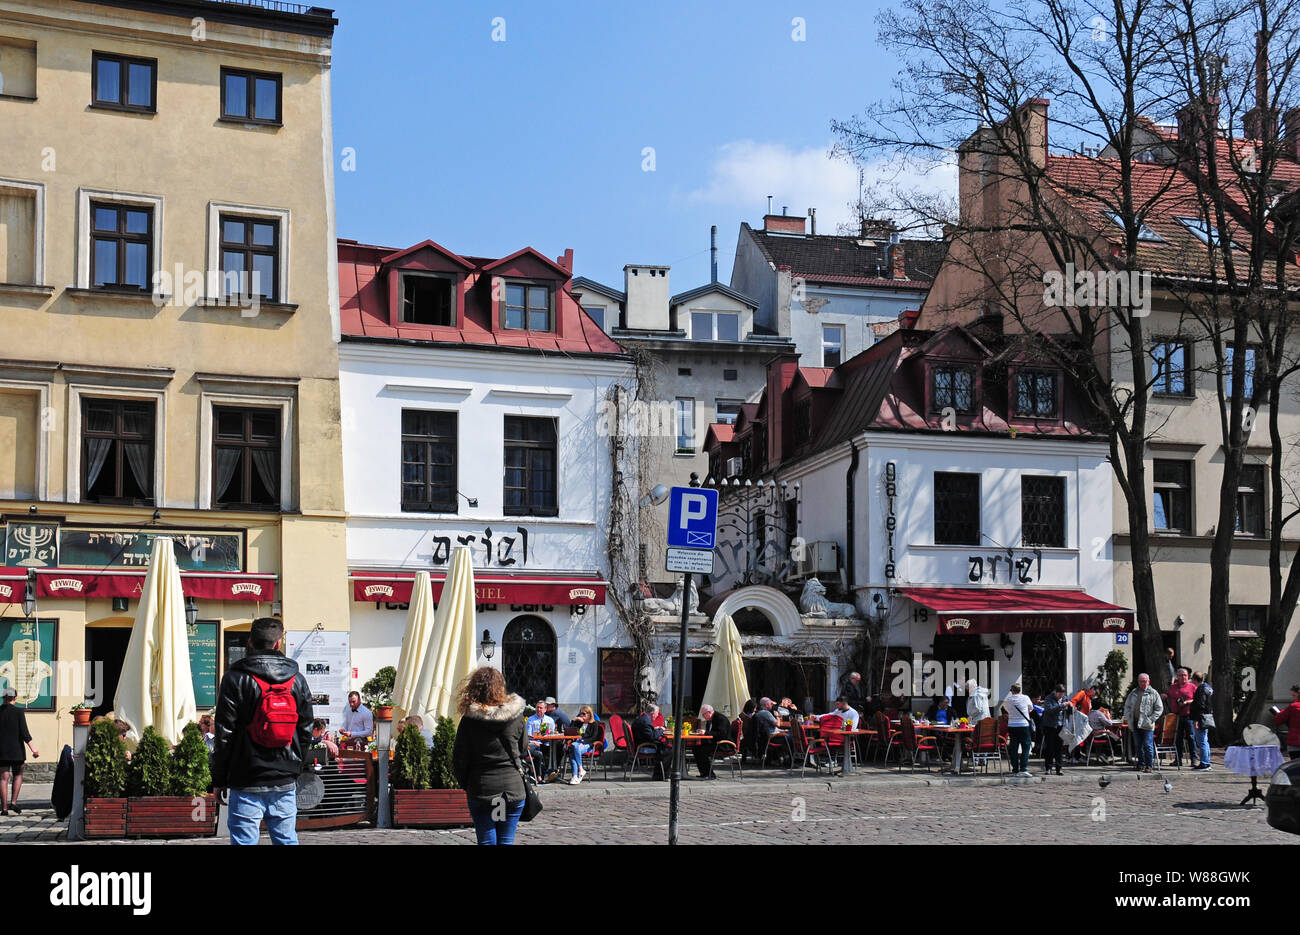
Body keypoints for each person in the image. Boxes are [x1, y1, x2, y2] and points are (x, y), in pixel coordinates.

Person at [211, 617, 314, 845]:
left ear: (250, 641)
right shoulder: (297, 680)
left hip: (246, 776)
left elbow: (223, 733)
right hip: (284, 776)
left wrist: (219, 779)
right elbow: (306, 729)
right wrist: (294, 767)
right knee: (286, 840)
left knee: (244, 842)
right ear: (278, 643)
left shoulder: (234, 678)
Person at [451, 667, 527, 845]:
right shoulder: (516, 716)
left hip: (482, 787)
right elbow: (522, 747)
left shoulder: (470, 720)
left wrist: (467, 784)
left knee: (486, 841)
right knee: (506, 841)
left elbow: (459, 758)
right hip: (512, 787)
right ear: (501, 687)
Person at [0, 686, 38, 816]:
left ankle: (4, 808)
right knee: (18, 775)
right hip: (17, 750)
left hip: (1, 751)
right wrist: (34, 749)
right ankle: (14, 802)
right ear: (15, 698)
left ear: (3, 698)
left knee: (3, 778)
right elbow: (24, 733)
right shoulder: (18, 712)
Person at [1123, 673, 1164, 773]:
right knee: (1138, 745)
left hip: (1147, 724)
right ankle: (1140, 764)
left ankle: (1149, 765)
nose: (1143, 683)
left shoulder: (1153, 693)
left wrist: (1151, 719)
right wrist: (1128, 718)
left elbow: (1159, 708)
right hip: (1135, 722)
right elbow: (1127, 706)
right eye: (1141, 681)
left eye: (1145, 681)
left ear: (1148, 682)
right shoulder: (1134, 692)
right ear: (1138, 682)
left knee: (1148, 745)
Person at [631, 703, 673, 779]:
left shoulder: (643, 718)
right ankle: (660, 776)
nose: (657, 716)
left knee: (665, 747)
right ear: (653, 714)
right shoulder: (646, 721)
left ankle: (660, 774)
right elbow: (652, 737)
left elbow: (648, 733)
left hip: (641, 742)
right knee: (668, 750)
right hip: (643, 745)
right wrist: (661, 730)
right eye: (657, 714)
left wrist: (654, 729)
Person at [1001, 683, 1034, 777]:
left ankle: (1015, 768)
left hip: (1012, 725)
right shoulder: (1026, 698)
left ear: (1012, 691)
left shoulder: (1008, 700)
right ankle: (1023, 768)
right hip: (1023, 724)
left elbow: (1008, 711)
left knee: (1014, 748)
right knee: (1026, 747)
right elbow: (1030, 709)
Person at [1166, 667, 1196, 767]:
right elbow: (1168, 695)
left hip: (1189, 716)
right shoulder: (1173, 687)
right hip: (1177, 716)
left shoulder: (1192, 687)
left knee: (1191, 738)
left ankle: (1194, 759)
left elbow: (1197, 699)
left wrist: (1187, 702)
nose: (1183, 677)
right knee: (1178, 738)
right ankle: (1178, 759)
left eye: (1185, 675)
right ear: (1177, 677)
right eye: (1181, 675)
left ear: (1188, 676)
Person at [694, 704, 733, 778]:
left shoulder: (721, 719)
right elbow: (711, 734)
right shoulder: (710, 720)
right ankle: (704, 773)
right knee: (696, 748)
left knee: (702, 750)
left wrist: (705, 732)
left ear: (709, 712)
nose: (703, 717)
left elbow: (721, 734)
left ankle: (710, 774)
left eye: (703, 715)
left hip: (724, 744)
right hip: (715, 742)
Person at [565, 705, 601, 784]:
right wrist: (574, 721)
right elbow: (570, 731)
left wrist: (583, 742)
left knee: (573, 748)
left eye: (584, 714)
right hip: (577, 744)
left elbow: (593, 738)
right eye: (580, 714)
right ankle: (577, 774)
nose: (581, 716)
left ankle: (577, 773)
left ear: (589, 714)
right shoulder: (579, 723)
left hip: (588, 744)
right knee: (573, 749)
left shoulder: (594, 724)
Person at [1040, 684, 1069, 776]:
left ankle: (1059, 768)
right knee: (1049, 748)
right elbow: (1050, 710)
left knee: (1059, 748)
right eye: (1059, 694)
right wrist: (1062, 705)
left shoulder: (1065, 699)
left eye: (1062, 694)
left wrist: (1070, 707)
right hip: (1050, 726)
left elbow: (1068, 710)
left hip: (1060, 725)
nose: (1061, 696)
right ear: (1055, 692)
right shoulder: (1049, 699)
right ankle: (1048, 768)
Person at [525, 699, 557, 782]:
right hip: (536, 743)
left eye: (541, 708)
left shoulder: (550, 720)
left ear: (545, 709)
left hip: (548, 743)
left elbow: (553, 733)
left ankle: (553, 771)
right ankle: (542, 774)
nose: (538, 709)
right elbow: (528, 735)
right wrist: (537, 738)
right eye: (537, 708)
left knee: (560, 748)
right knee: (541, 750)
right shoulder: (531, 720)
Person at [752, 697, 789, 767]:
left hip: (768, 736)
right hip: (772, 738)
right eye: (770, 704)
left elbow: (771, 728)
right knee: (791, 738)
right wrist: (777, 716)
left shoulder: (759, 713)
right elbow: (778, 724)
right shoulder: (766, 713)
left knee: (788, 734)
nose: (772, 705)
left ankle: (780, 758)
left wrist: (783, 731)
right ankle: (790, 761)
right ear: (766, 705)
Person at [1189, 673, 1215, 771]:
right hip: (1207, 717)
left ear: (1194, 679)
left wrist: (1196, 720)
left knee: (1201, 741)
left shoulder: (1200, 690)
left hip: (1201, 718)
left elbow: (1200, 705)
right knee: (1205, 740)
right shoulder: (1208, 688)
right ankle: (1206, 761)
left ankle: (1204, 763)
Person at [1272, 685, 1300, 760]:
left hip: (1295, 743)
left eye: (1294, 695)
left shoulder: (1293, 707)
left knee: (1296, 768)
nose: (1293, 698)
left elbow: (1278, 720)